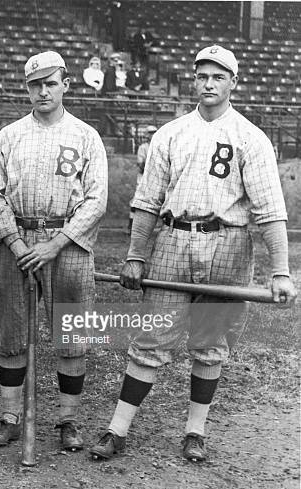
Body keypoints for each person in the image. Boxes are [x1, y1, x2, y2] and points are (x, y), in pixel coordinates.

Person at [89, 45, 297, 462]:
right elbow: (146, 202)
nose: (208, 84)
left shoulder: (250, 138)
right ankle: (118, 429)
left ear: (233, 82)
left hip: (229, 245)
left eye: (218, 77)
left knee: (210, 342)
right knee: (151, 338)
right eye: (202, 76)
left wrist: (280, 271)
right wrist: (135, 254)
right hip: (173, 238)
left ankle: (195, 432)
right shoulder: (170, 133)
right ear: (193, 79)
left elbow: (270, 211)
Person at [0, 51, 108, 451]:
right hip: (15, 241)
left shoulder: (86, 135)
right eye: (35, 84)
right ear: (27, 88)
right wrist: (18, 243)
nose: (42, 91)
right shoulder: (8, 136)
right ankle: (9, 417)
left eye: (50, 83)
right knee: (12, 333)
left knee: (72, 332)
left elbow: (96, 200)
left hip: (67, 242)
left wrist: (55, 244)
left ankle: (68, 421)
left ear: (66, 84)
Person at [128, 125, 157, 233]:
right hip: (143, 179)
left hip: (157, 180)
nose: (152, 135)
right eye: (150, 133)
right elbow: (141, 166)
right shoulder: (143, 147)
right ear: (147, 135)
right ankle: (130, 227)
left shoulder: (159, 146)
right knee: (136, 202)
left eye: (154, 132)